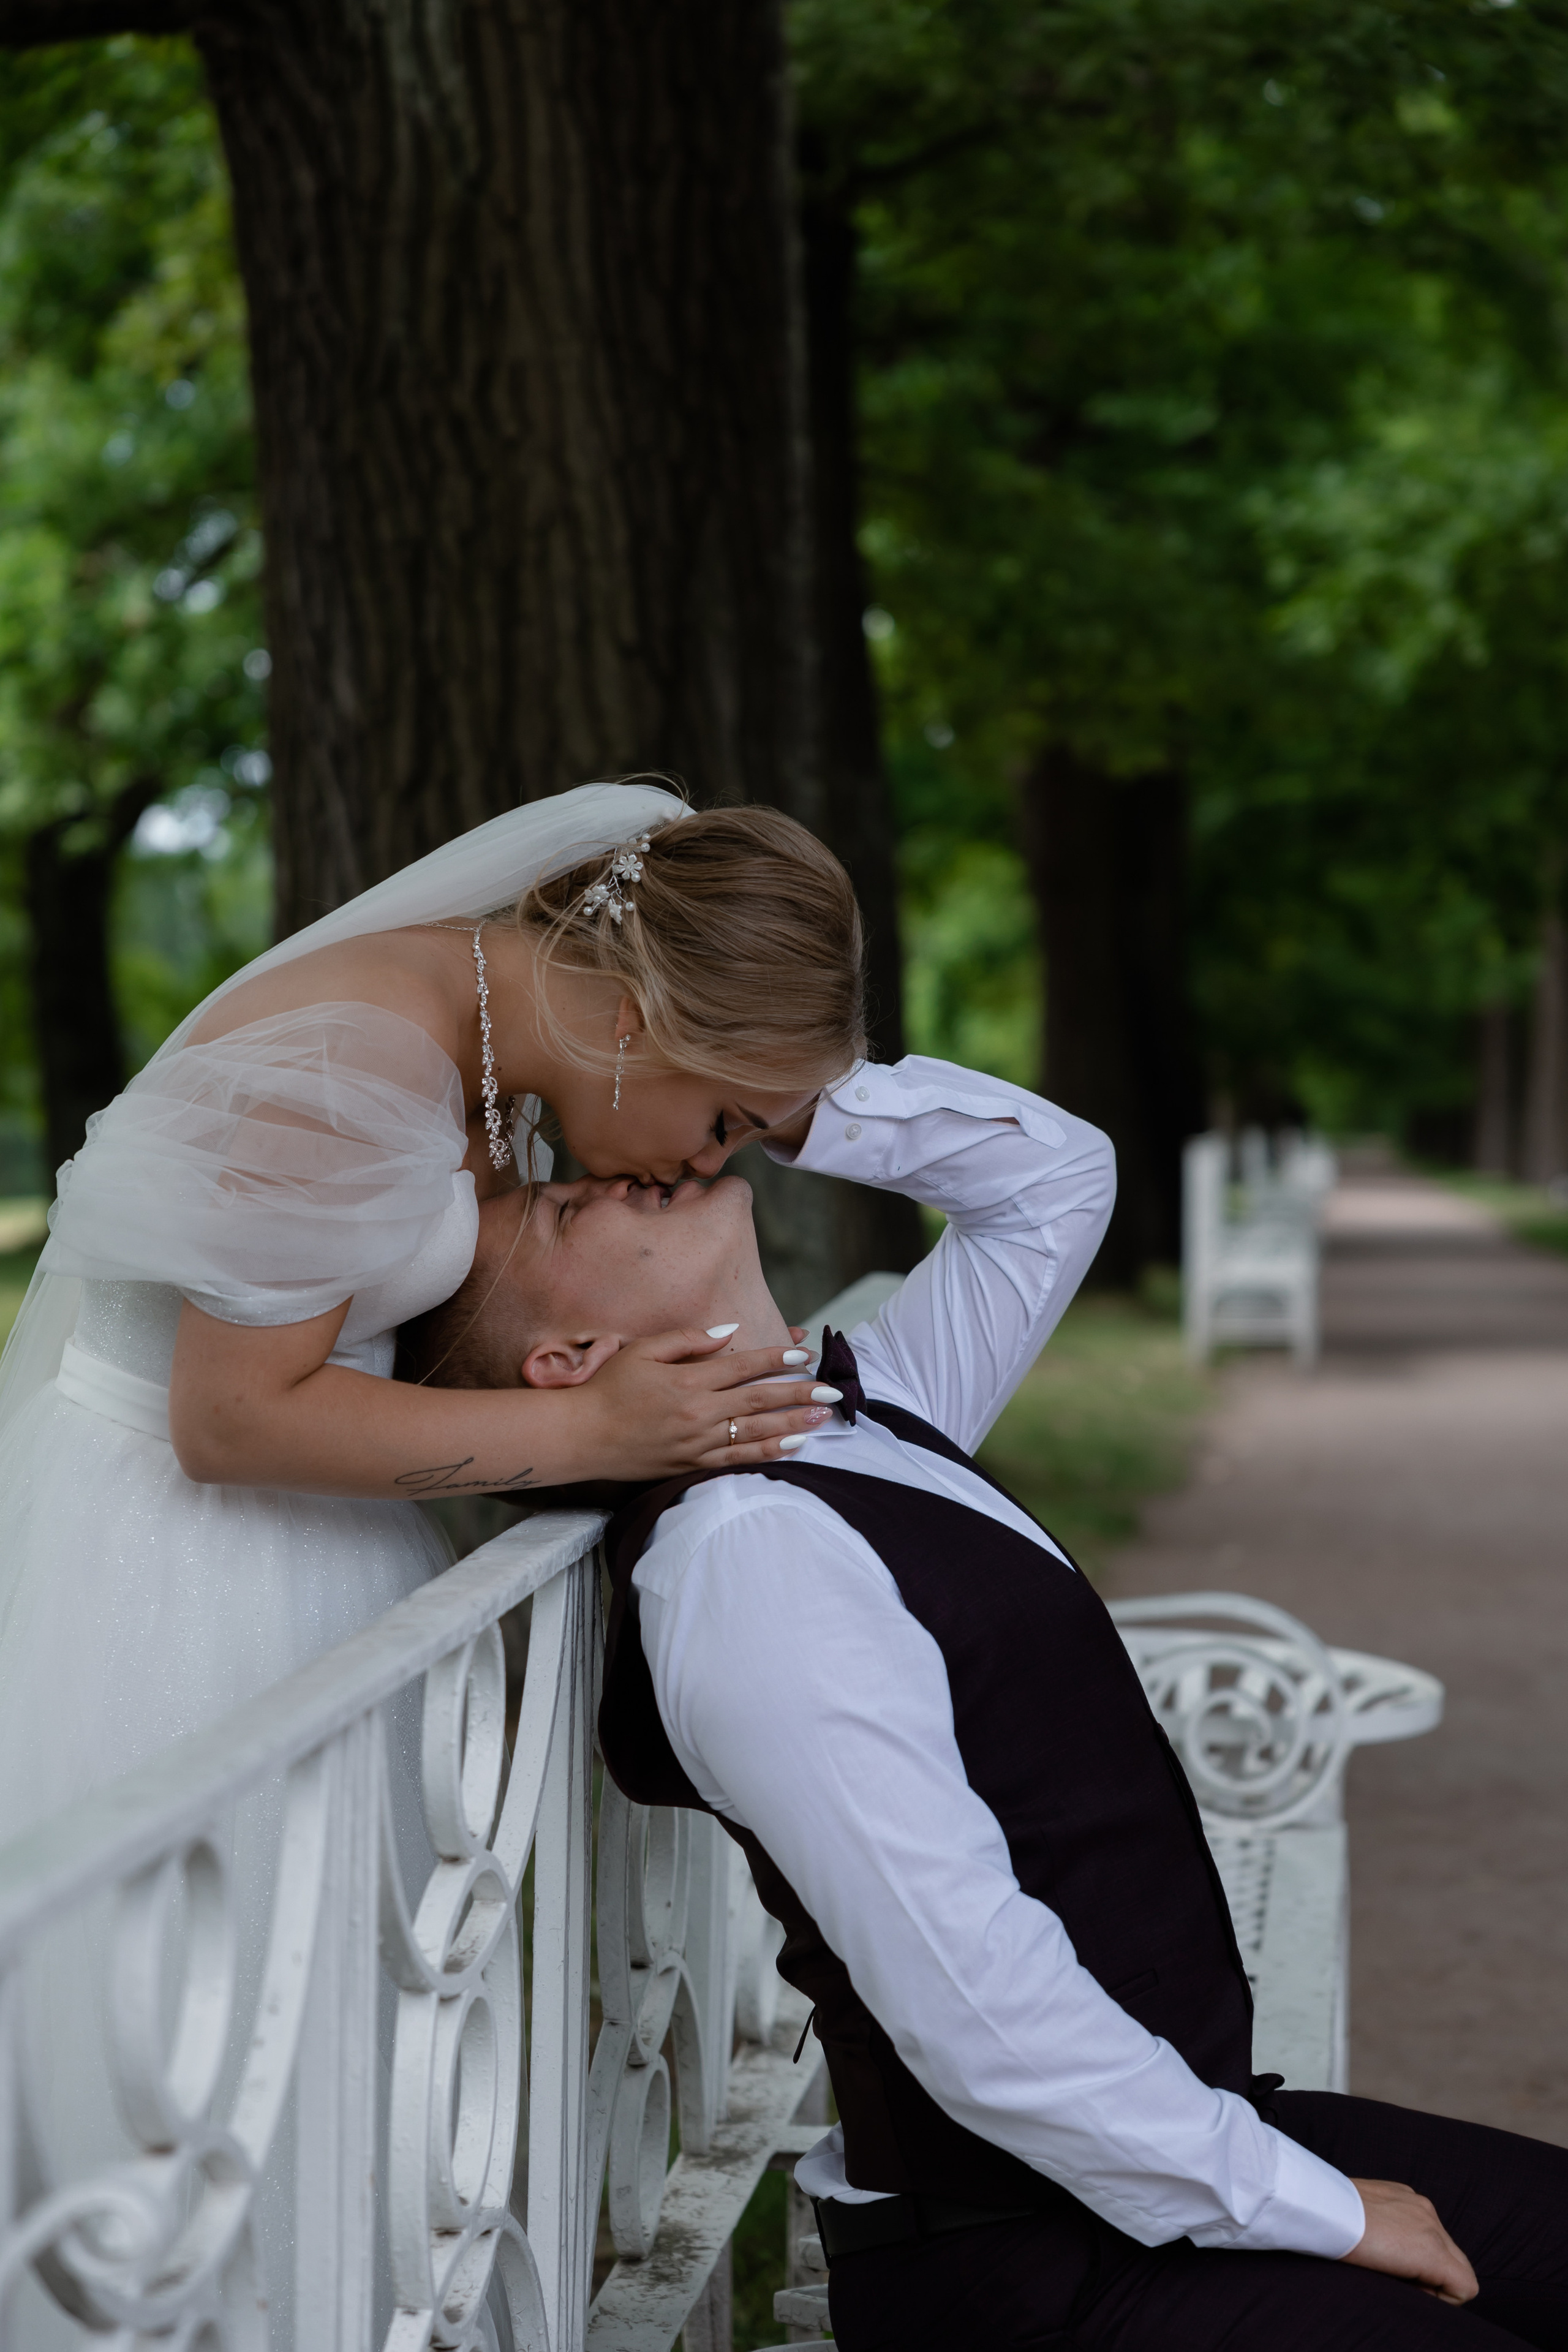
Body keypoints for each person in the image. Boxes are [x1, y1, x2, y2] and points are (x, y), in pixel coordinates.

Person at [407, 1052, 1568, 2351]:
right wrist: (1315, 2209)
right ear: (570, 1359)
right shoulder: (745, 1563)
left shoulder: (859, 1413)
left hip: (1155, 2158)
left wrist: (738, 1085)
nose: (615, 1175)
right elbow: (975, 2009)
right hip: (1022, 2268)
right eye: (570, 1210)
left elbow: (1049, 1178)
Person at [0, 778, 857, 2343]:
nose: (708, 1162)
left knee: (329, 2045)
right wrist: (608, 1429)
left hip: (312, 1549)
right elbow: (231, 1419)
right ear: (643, 1019)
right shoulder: (354, 1065)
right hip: (184, 1570)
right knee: (203, 2047)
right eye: (726, 1116)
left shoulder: (468, 1039)